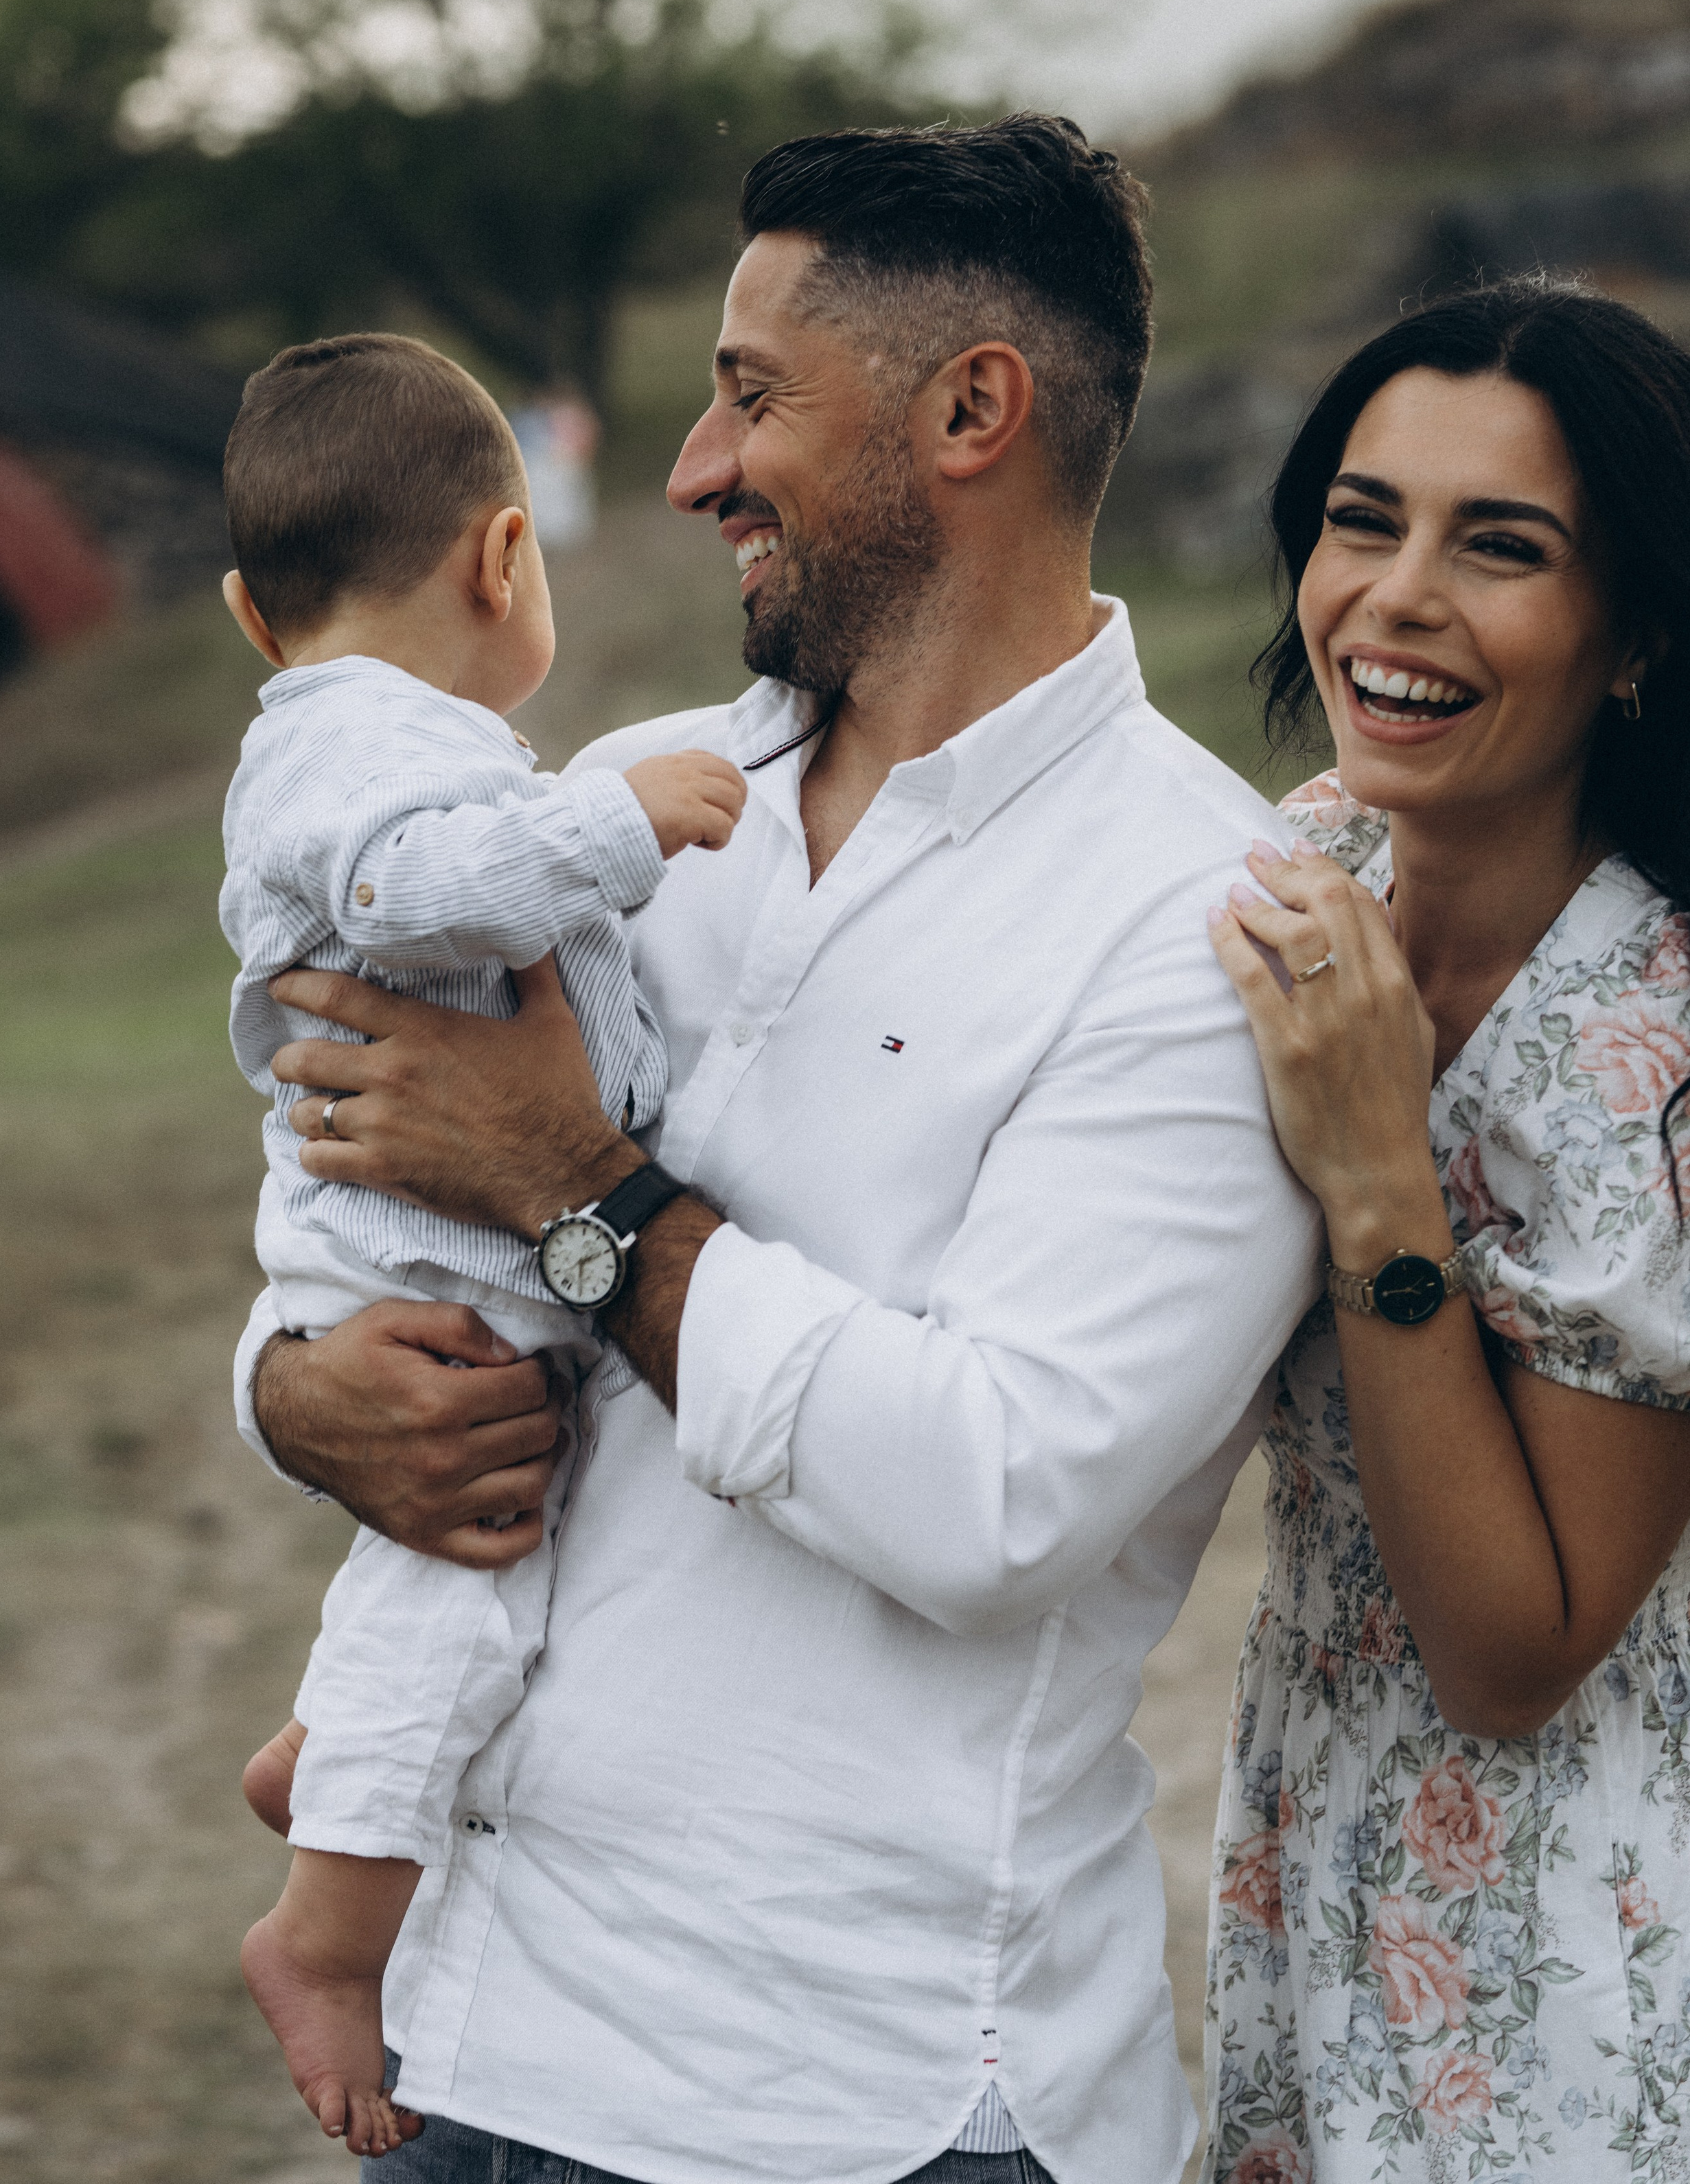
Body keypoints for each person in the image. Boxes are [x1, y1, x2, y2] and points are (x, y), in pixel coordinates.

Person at [232, 114, 1321, 2184]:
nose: (688, 470)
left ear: (971, 410)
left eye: (751, 399)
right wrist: (297, 1396)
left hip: (850, 2101)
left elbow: (995, 1498)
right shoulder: (632, 808)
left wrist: (578, 1195)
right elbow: (367, 1184)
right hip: (468, 2027)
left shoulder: (1203, 923)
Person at [217, 332, 746, 2156]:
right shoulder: (366, 748)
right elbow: (400, 892)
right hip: (422, 1265)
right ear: (504, 560)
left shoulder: (376, 731)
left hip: (442, 1251)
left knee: (482, 1570)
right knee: (475, 1554)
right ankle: (325, 1939)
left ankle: (347, 1757)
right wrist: (616, 822)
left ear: (239, 608)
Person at [1203, 279, 1690, 2181]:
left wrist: (1379, 1182)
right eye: (1361, 516)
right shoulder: (1314, 858)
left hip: (1582, 1935)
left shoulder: (1646, 1045)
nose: (1396, 597)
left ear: (1634, 626)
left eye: (1503, 547)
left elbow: (1516, 1650)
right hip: (1306, 1842)